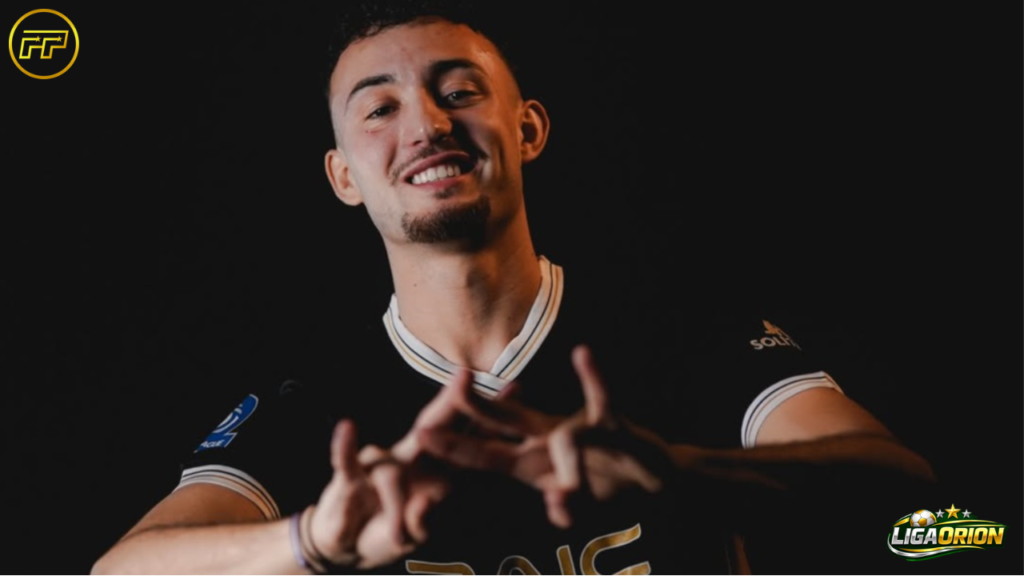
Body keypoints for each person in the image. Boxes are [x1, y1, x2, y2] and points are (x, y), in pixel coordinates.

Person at [92, 4, 935, 574]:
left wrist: (679, 472)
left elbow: (916, 503)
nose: (427, 124)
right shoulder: (316, 403)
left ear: (527, 129)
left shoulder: (682, 329)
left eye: (459, 92)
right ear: (343, 176)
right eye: (379, 109)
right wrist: (311, 541)